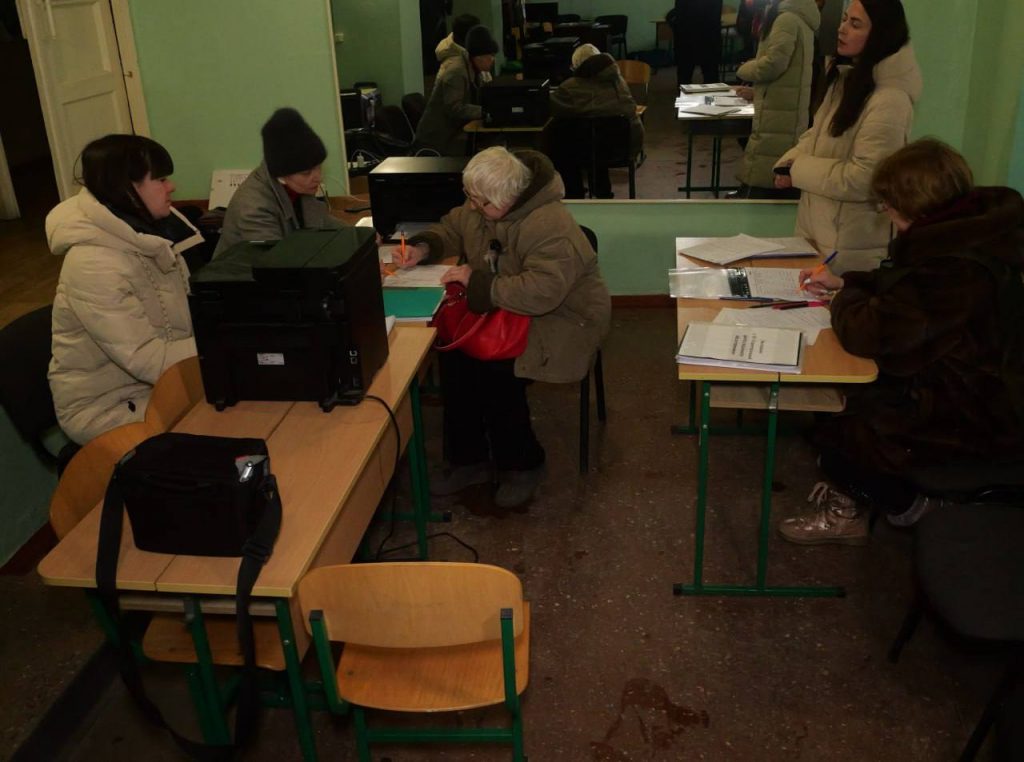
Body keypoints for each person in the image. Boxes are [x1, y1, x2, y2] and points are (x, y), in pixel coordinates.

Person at [778, 138, 1024, 545]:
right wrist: (847, 282)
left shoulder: (956, 271)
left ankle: (916, 509)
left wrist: (843, 299)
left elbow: (868, 332)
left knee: (841, 438)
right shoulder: (970, 234)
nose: (886, 213)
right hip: (976, 386)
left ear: (910, 207)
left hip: (976, 411)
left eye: (888, 205)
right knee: (842, 403)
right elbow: (904, 286)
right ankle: (861, 500)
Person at [394, 147, 611, 508]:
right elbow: (452, 227)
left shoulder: (550, 224)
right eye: (470, 197)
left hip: (562, 318)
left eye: (481, 202)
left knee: (496, 371)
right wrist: (423, 247)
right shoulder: (485, 202)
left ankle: (523, 464)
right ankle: (468, 460)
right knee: (455, 358)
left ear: (510, 197)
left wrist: (477, 282)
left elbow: (543, 292)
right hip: (507, 306)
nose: (473, 206)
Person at [47, 134, 202, 445]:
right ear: (128, 188)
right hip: (108, 407)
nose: (171, 186)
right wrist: (225, 345)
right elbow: (148, 359)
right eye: (161, 179)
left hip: (156, 384)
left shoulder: (154, 233)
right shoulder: (93, 264)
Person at [774, 0, 921, 275]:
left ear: (880, 34)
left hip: (850, 250)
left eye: (855, 24)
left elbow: (865, 179)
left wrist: (799, 169)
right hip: (817, 232)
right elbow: (817, 134)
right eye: (844, 20)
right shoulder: (845, 78)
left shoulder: (890, 99)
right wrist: (788, 162)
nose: (842, 29)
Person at [214, 107, 346, 258]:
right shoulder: (253, 207)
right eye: (306, 173)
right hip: (245, 272)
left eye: (318, 167)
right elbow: (276, 261)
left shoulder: (295, 186)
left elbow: (323, 223)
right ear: (282, 173)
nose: (318, 177)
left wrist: (359, 236)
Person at [733, 0, 820, 198]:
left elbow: (773, 64)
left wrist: (744, 68)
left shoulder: (786, 19)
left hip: (779, 110)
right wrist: (757, 92)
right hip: (784, 105)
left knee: (766, 165)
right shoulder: (797, 15)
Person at [549, 44, 645, 199]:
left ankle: (574, 194)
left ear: (579, 67)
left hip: (593, 150)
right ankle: (603, 192)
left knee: (560, 132)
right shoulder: (618, 80)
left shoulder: (571, 87)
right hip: (626, 146)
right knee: (598, 133)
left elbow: (550, 107)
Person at [413, 24, 498, 157]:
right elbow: (454, 108)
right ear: (478, 57)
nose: (493, 60)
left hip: (451, 135)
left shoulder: (473, 69)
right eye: (490, 56)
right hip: (438, 141)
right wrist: (485, 111)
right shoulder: (457, 72)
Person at [673, 0, 724, 87]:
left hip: (687, 37)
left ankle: (685, 94)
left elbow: (679, 15)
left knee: (685, 75)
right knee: (710, 77)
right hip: (709, 37)